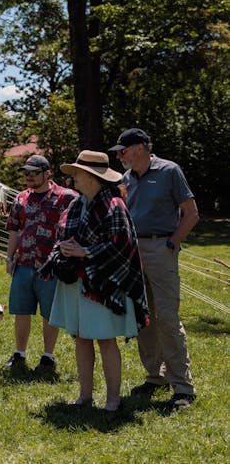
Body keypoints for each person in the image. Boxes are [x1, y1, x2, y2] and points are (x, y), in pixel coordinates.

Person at [39, 150, 149, 411]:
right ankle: (84, 396)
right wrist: (63, 248)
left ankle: (113, 400)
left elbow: (122, 246)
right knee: (81, 337)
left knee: (105, 340)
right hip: (76, 281)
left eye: (77, 172)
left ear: (91, 176)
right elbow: (63, 233)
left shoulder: (114, 205)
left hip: (102, 284)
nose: (73, 177)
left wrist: (84, 251)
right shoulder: (77, 203)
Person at [111, 127, 199, 410]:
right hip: (133, 253)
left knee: (168, 318)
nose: (120, 155)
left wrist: (171, 244)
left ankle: (182, 387)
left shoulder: (169, 171)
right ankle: (155, 376)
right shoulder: (125, 179)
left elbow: (191, 212)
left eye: (122, 150)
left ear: (139, 148)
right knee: (143, 317)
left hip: (161, 249)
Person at [3, 155, 77, 373]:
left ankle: (48, 356)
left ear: (47, 174)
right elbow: (14, 229)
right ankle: (19, 353)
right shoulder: (21, 199)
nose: (29, 176)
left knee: (49, 313)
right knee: (21, 311)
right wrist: (9, 257)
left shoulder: (66, 197)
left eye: (34, 172)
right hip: (24, 263)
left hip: (51, 265)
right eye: (26, 172)